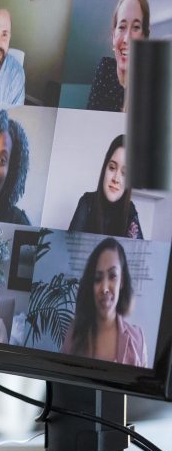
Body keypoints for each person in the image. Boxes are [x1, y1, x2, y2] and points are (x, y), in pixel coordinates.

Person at [61, 238, 148, 366]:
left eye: (112, 276)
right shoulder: (74, 333)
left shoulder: (138, 340)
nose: (105, 288)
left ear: (122, 281)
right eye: (97, 278)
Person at [68, 134, 143, 239]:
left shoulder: (130, 210)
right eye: (112, 167)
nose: (116, 179)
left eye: (124, 173)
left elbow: (139, 253)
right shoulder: (87, 203)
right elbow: (69, 250)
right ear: (104, 169)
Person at [86, 0, 150, 112]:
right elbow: (91, 120)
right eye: (122, 27)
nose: (127, 39)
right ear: (114, 36)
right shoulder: (105, 67)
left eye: (136, 27)